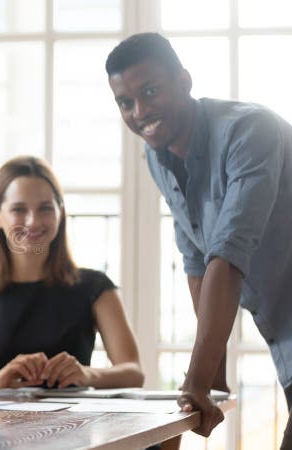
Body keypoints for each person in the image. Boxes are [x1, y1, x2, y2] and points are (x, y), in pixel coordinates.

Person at [106, 32, 292, 445]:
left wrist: (196, 379)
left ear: (184, 81)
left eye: (150, 91)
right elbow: (196, 263)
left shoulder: (249, 131)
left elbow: (227, 257)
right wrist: (214, 377)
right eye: (125, 102)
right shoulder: (158, 156)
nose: (140, 112)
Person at [0, 156, 144, 392]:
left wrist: (87, 374)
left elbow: (133, 371)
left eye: (45, 208)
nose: (33, 221)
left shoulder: (96, 287)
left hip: (75, 424)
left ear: (60, 211)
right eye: (19, 209)